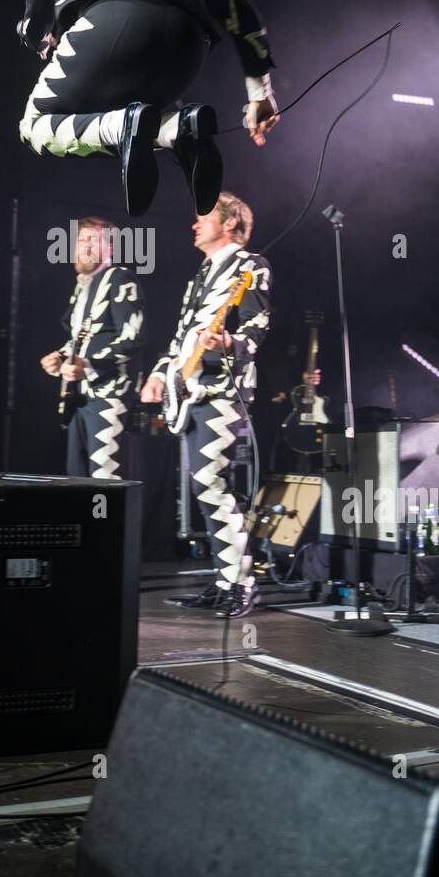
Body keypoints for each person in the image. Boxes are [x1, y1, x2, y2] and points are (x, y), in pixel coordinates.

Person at [17, 0, 280, 216]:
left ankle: (125, 125)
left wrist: (41, 40)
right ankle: (179, 128)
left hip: (109, 20)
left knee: (34, 126)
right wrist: (260, 93)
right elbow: (235, 5)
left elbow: (31, 21)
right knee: (127, 114)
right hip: (188, 44)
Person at [140, 194, 271, 617]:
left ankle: (242, 583)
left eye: (204, 218)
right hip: (193, 388)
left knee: (211, 482)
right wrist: (162, 373)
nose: (195, 225)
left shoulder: (251, 266)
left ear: (231, 223)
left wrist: (229, 342)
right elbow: (182, 336)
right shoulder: (202, 273)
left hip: (224, 389)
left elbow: (257, 325)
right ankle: (224, 581)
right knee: (205, 485)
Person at [40, 218, 144, 479]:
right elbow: (80, 338)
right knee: (77, 477)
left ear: (109, 246)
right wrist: (61, 357)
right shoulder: (82, 286)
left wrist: (87, 365)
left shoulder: (120, 278)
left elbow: (132, 337)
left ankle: (110, 521)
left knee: (105, 476)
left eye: (91, 239)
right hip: (81, 396)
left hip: (109, 393)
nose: (83, 246)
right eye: (80, 240)